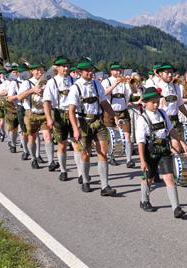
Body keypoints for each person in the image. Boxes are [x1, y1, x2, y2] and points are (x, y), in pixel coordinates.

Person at [134, 87, 187, 218]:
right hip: (150, 151)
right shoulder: (142, 119)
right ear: (145, 102)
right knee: (149, 178)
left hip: (164, 150)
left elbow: (170, 129)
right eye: (152, 102)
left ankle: (176, 207)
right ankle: (144, 201)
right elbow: (140, 142)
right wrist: (142, 160)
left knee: (169, 178)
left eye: (157, 102)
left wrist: (180, 141)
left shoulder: (163, 114)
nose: (155, 105)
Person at [66, 60, 116, 195]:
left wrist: (114, 116)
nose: (90, 72)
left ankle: (105, 186)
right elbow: (71, 110)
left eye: (91, 70)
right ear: (80, 72)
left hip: (98, 122)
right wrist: (75, 129)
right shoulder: (75, 87)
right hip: (83, 123)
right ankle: (86, 181)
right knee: (85, 153)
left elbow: (104, 103)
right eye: (87, 70)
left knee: (103, 153)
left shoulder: (97, 83)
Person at [43, 56, 76, 182]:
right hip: (59, 113)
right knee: (62, 144)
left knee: (76, 143)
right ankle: (63, 170)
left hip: (73, 114)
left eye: (67, 66)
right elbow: (46, 102)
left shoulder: (74, 81)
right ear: (57, 68)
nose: (66, 68)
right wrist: (48, 118)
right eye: (63, 66)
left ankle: (81, 173)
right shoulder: (52, 82)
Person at [102, 62, 138, 168]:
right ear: (111, 71)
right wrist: (115, 84)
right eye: (116, 70)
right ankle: (111, 157)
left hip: (123, 111)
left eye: (120, 70)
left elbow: (135, 92)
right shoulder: (106, 81)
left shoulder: (125, 82)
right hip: (110, 111)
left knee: (127, 135)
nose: (118, 72)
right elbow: (103, 94)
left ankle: (129, 160)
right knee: (111, 136)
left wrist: (130, 83)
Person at [16, 63, 52, 169]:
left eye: (41, 70)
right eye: (37, 70)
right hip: (31, 113)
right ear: (32, 71)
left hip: (44, 113)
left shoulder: (47, 82)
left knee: (48, 137)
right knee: (32, 138)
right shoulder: (26, 82)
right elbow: (19, 97)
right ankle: (33, 159)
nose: (39, 72)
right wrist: (32, 90)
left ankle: (51, 162)